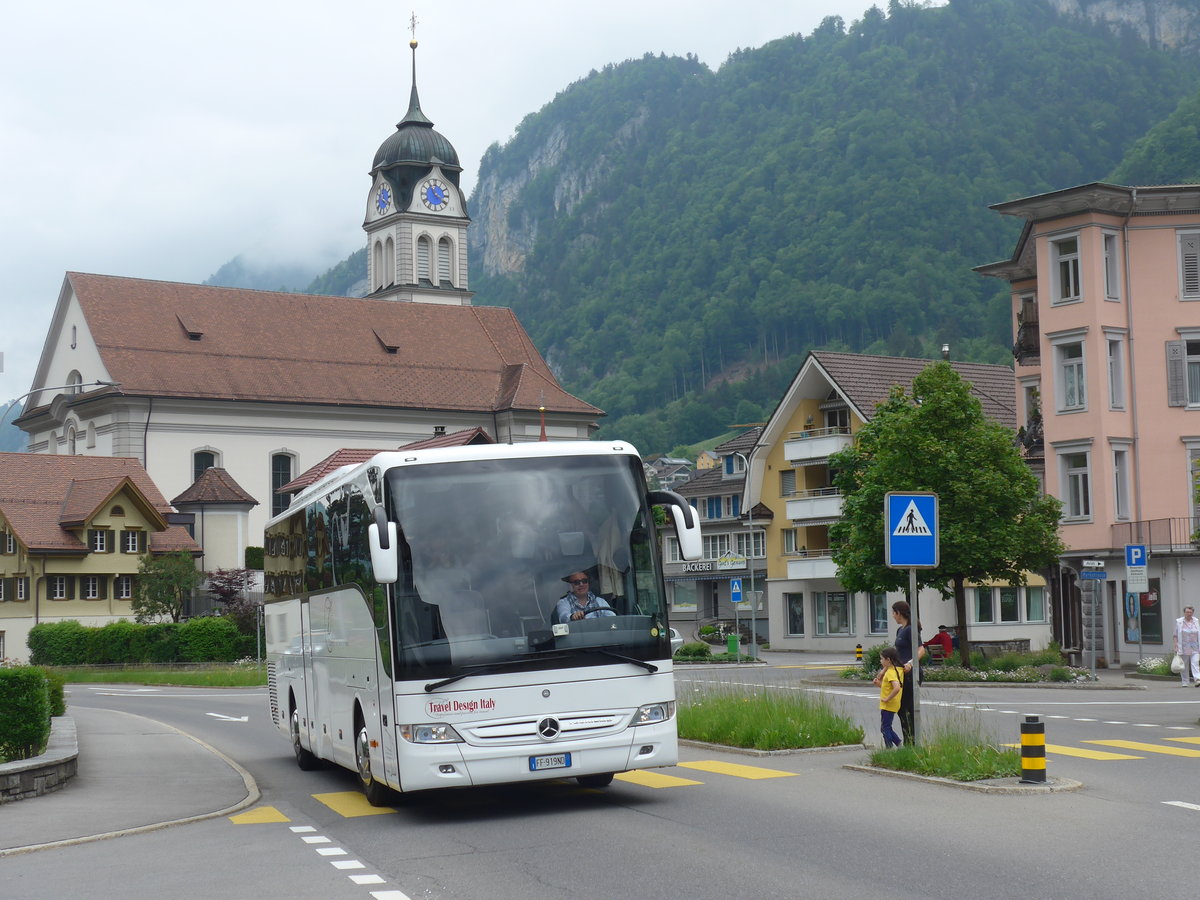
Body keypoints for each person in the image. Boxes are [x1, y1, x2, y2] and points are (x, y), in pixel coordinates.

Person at [892, 600, 926, 744]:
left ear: (899, 613)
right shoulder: (900, 630)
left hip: (910, 674)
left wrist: (911, 664)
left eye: (894, 613)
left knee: (907, 708)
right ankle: (908, 740)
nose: (893, 616)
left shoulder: (910, 630)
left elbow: (921, 650)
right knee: (900, 708)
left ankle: (912, 741)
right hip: (900, 673)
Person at [874, 647, 904, 748]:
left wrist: (887, 699)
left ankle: (889, 747)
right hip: (894, 703)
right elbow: (888, 687)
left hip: (888, 704)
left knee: (885, 728)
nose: (880, 661)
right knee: (887, 727)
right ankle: (899, 744)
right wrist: (879, 684)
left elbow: (896, 688)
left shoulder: (890, 672)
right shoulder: (898, 669)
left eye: (882, 659)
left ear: (888, 660)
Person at [1174, 606, 1200, 686]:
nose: (1189, 614)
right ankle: (1185, 682)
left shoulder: (1196, 621)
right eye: (1187, 612)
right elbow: (1175, 635)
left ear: (1192, 613)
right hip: (1183, 647)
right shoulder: (1179, 622)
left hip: (1195, 647)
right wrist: (1175, 645)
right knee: (1184, 665)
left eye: (1190, 612)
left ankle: (1197, 679)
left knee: (1195, 663)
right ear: (1184, 613)